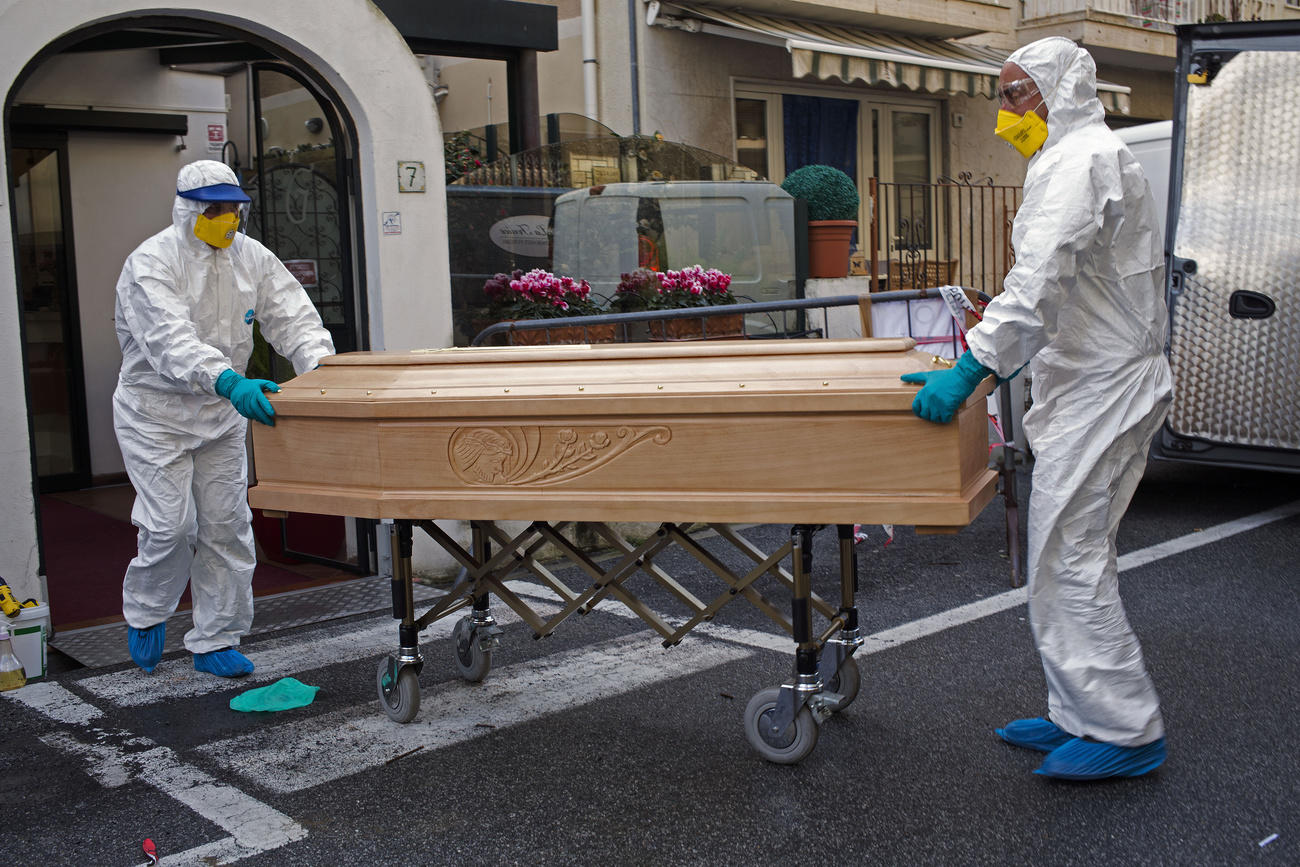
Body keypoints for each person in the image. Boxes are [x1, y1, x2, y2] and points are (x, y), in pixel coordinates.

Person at [899, 37, 1172, 780]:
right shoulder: (1081, 158)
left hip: (1105, 389)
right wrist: (991, 342)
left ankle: (1125, 728)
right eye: (1003, 98)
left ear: (1060, 92)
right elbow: (1063, 289)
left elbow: (1041, 280)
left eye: (1017, 96)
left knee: (1068, 554)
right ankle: (1079, 712)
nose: (1005, 116)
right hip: (1095, 382)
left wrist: (972, 367)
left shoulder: (1079, 162)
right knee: (1068, 554)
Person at [114, 160, 335, 677]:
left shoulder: (250, 256)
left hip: (220, 415)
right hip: (156, 416)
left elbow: (293, 315)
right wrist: (229, 380)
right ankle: (147, 612)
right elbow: (170, 342)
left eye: (234, 209)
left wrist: (322, 373)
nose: (227, 219)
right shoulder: (151, 263)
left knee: (227, 527)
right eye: (214, 209)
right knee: (170, 527)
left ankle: (216, 637)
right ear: (188, 209)